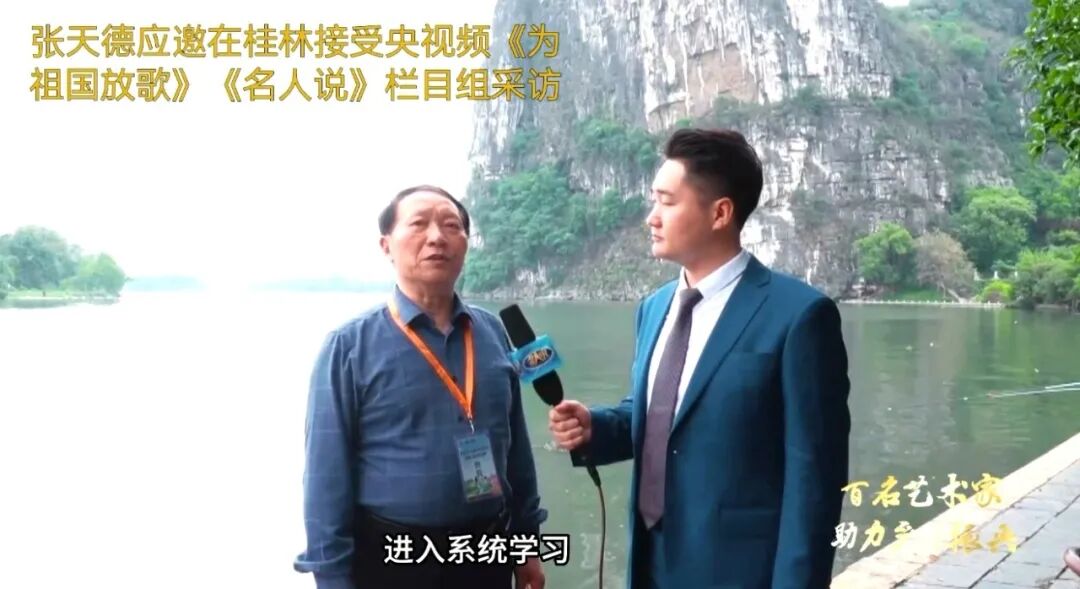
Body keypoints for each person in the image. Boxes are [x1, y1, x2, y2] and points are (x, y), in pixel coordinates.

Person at [549, 128, 851, 589]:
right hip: (650, 564)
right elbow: (662, 416)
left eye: (667, 202)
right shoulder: (653, 309)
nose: (652, 218)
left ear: (720, 213)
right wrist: (598, 428)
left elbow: (814, 482)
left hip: (739, 573)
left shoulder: (799, 316)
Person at [294, 185, 548, 589]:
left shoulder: (492, 333)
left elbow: (516, 452)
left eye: (451, 226)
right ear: (386, 245)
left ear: (466, 244)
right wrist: (332, 579)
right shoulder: (348, 347)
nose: (436, 237)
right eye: (418, 224)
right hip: (391, 562)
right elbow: (325, 479)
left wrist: (526, 545)